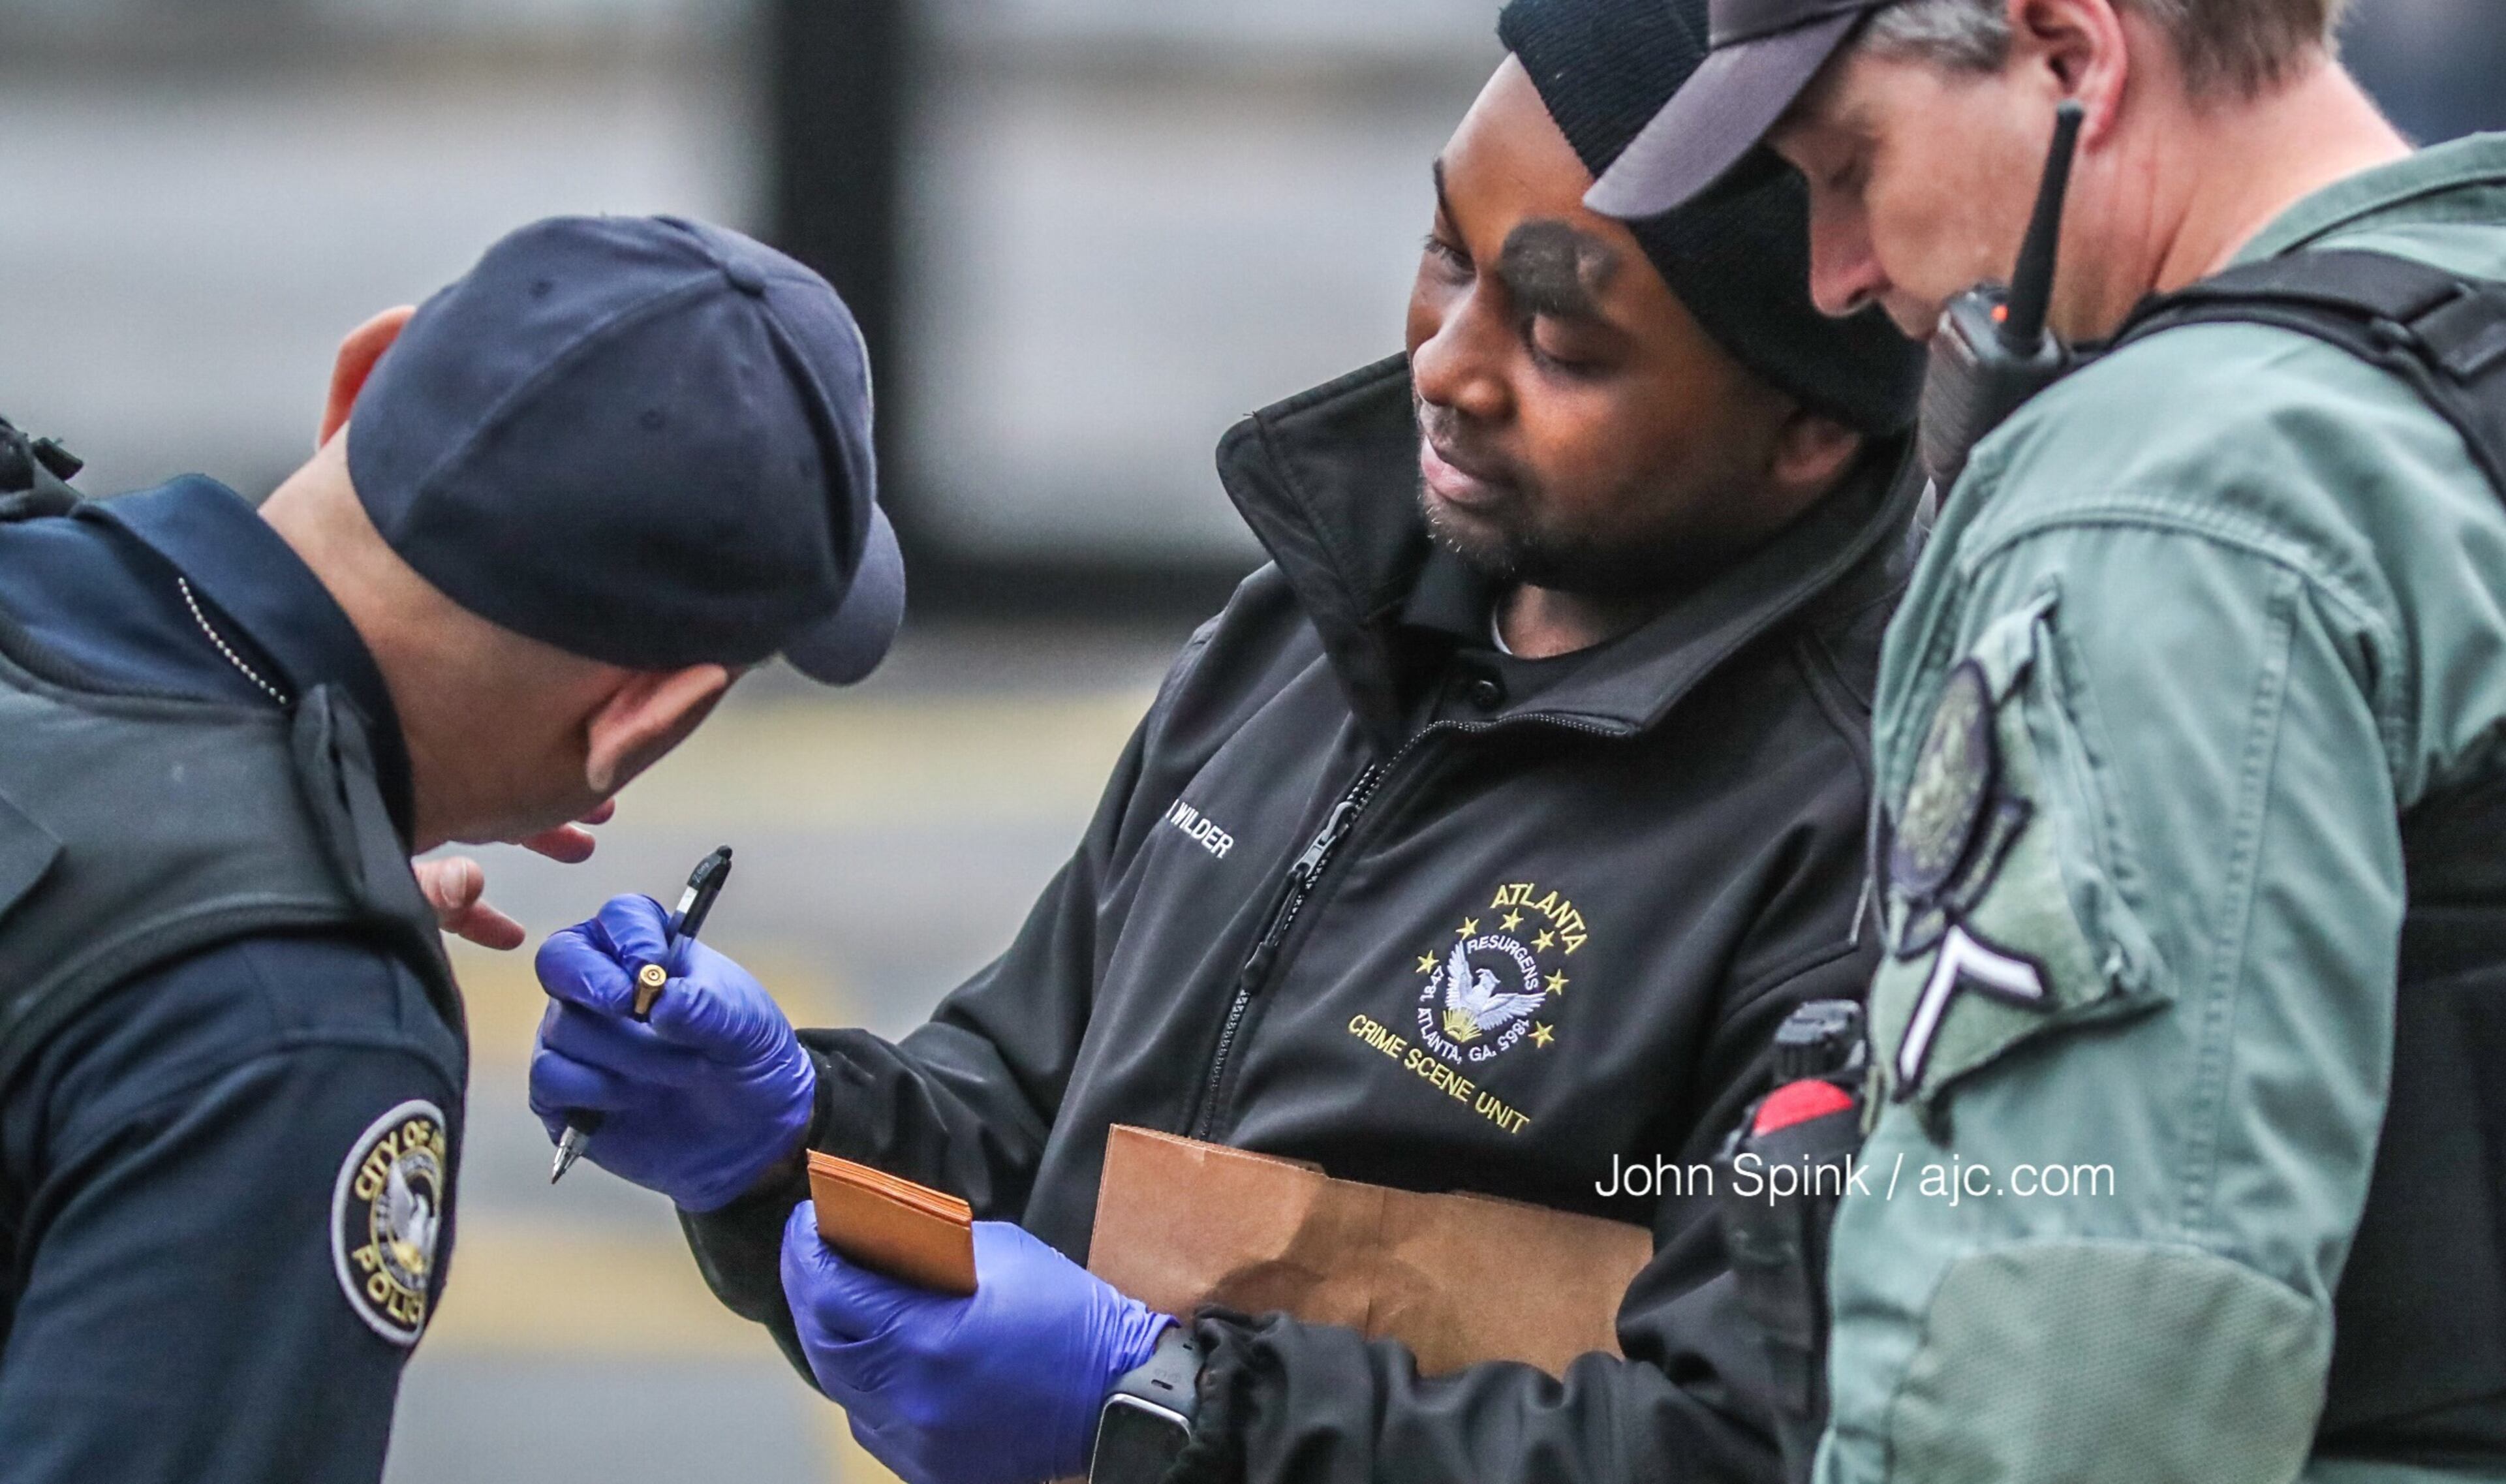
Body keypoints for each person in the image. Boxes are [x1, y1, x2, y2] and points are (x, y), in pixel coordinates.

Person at [531, 1, 1924, 1481]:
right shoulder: (1314, 627)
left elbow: (1739, 1450)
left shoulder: (1866, 840)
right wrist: (790, 1142)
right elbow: (1025, 1122)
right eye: (1447, 254)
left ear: (1809, 425)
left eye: (1564, 337)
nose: (1448, 367)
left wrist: (1168, 1415)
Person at [1592, 0, 2506, 1479]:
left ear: (2071, 55)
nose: (1837, 274)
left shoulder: (2167, 507)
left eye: (1848, 164)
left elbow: (2077, 1375)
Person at [0, 213, 902, 1483]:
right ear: (647, 714)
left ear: (361, 378)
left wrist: (200, 898)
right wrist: (274, 973)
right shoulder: (295, 1035)